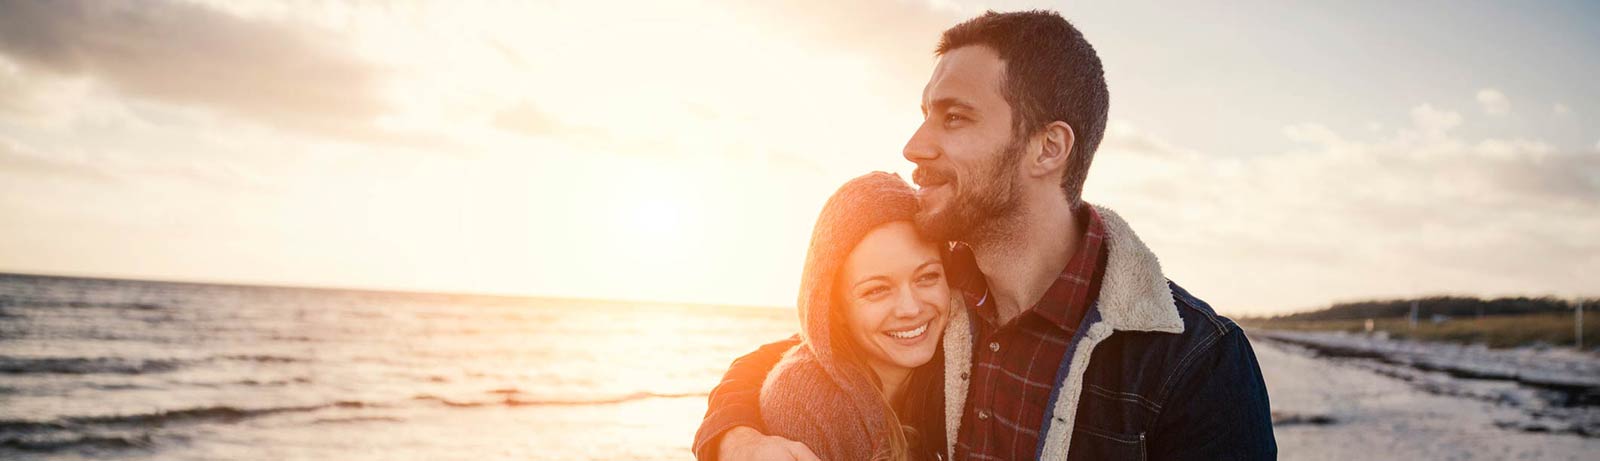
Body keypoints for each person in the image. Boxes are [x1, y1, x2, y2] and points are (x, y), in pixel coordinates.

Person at [696, 9, 1275, 461]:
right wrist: (735, 439)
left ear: (1047, 148)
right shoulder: (935, 300)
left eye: (954, 117)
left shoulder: (1195, 361)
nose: (914, 146)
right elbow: (803, 354)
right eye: (924, 113)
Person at [757, 171, 954, 461]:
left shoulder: (958, 371)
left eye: (926, 277)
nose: (910, 308)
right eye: (877, 290)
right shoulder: (806, 403)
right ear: (835, 309)